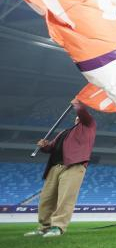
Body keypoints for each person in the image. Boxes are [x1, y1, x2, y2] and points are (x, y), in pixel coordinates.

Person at [24, 100, 96, 237]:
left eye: (80, 116)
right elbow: (52, 148)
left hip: (74, 166)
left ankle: (58, 227)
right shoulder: (65, 132)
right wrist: (44, 146)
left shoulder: (88, 126)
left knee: (65, 198)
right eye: (77, 117)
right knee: (46, 199)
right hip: (55, 167)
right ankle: (44, 227)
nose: (78, 118)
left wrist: (78, 104)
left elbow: (84, 115)